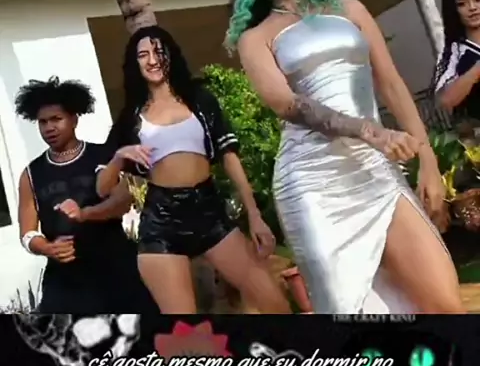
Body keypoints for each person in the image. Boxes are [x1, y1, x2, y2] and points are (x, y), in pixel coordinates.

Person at [225, 0, 465, 315]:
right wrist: (370, 131)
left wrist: (427, 160)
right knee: (352, 314)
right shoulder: (255, 38)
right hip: (313, 185)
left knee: (445, 305)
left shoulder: (351, 10)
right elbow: (288, 105)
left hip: (375, 170)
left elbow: (392, 84)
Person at [97, 25, 290, 315]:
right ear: (134, 63)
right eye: (143, 54)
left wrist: (254, 215)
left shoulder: (199, 100)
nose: (152, 60)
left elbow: (229, 157)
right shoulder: (130, 118)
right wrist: (118, 158)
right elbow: (102, 188)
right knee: (185, 327)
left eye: (159, 52)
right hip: (161, 222)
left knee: (274, 303)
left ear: (170, 56)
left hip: (209, 211)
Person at [15, 77, 155, 314]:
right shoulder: (30, 174)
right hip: (66, 280)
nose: (49, 128)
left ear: (74, 119)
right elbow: (27, 233)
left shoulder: (104, 156)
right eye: (43, 122)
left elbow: (122, 203)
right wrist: (47, 248)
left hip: (116, 268)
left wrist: (85, 214)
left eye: (56, 119)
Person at [433, 0, 480, 122]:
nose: (472, 7)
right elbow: (444, 101)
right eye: (462, 4)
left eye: (478, 0)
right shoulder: (454, 53)